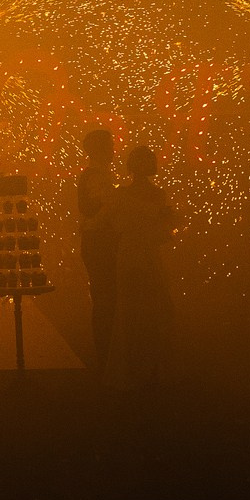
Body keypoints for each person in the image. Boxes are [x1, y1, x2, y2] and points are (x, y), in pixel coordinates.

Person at [104, 144, 180, 391]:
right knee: (151, 312)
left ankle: (133, 369)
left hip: (132, 255)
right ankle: (149, 369)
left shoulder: (122, 195)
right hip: (145, 256)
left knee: (131, 313)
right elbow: (162, 233)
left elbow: (115, 227)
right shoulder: (156, 196)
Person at [76, 129, 119, 369]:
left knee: (105, 296)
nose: (114, 150)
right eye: (110, 145)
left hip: (96, 242)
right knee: (105, 297)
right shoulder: (96, 177)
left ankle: (105, 351)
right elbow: (94, 212)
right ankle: (104, 353)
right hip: (98, 243)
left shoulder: (97, 175)